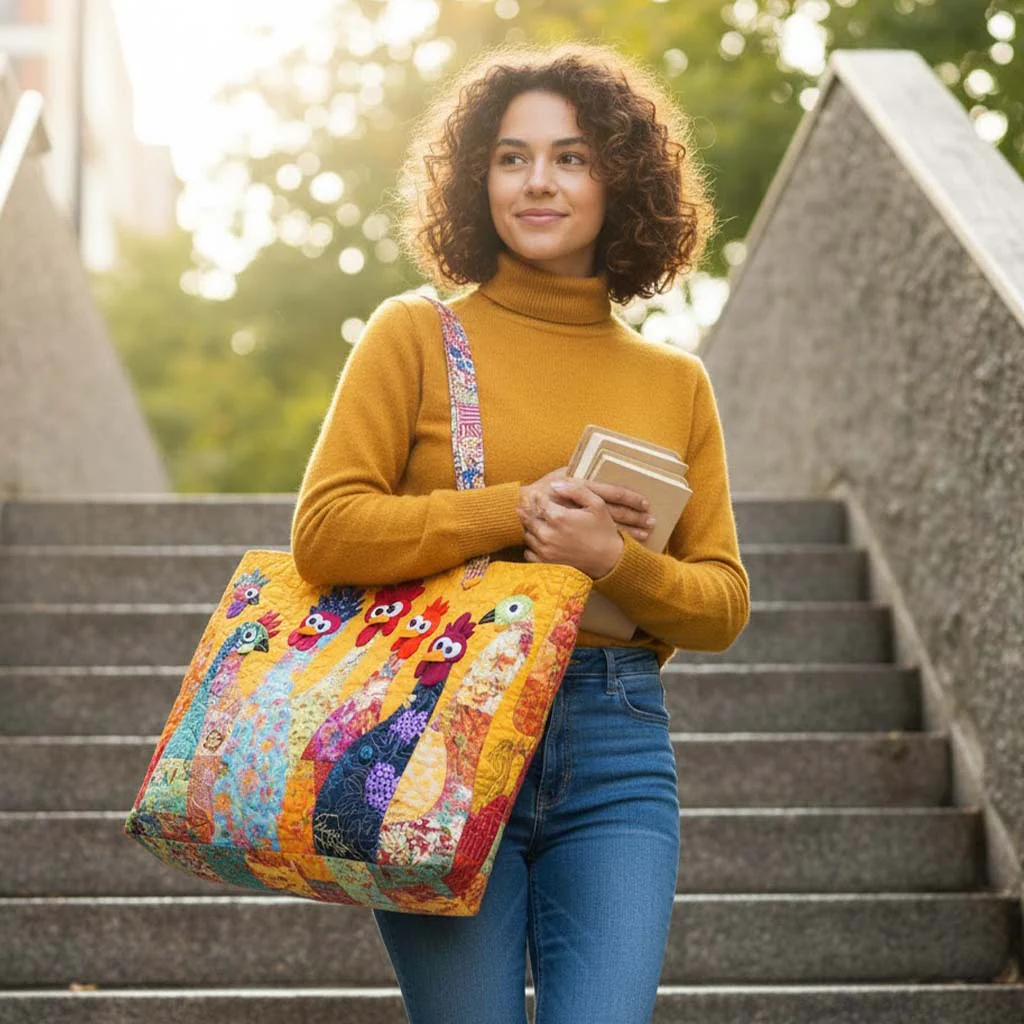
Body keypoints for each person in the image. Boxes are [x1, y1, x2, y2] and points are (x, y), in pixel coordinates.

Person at [290, 38, 750, 1024]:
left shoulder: (675, 383)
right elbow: (324, 533)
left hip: (614, 745)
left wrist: (614, 561)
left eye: (571, 156)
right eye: (511, 156)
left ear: (620, 181)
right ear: (475, 179)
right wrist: (516, 507)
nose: (537, 181)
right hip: (432, 729)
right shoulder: (412, 336)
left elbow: (721, 603)